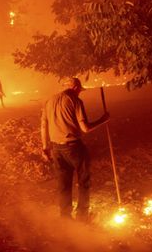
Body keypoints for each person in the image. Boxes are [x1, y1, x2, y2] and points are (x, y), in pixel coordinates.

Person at [41, 77, 109, 221]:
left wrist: (45, 147)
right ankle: (82, 216)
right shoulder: (75, 101)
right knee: (84, 180)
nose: (80, 93)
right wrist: (103, 119)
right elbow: (85, 128)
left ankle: (65, 217)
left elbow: (43, 126)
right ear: (76, 88)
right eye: (79, 91)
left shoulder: (49, 101)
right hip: (73, 147)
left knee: (63, 184)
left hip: (56, 149)